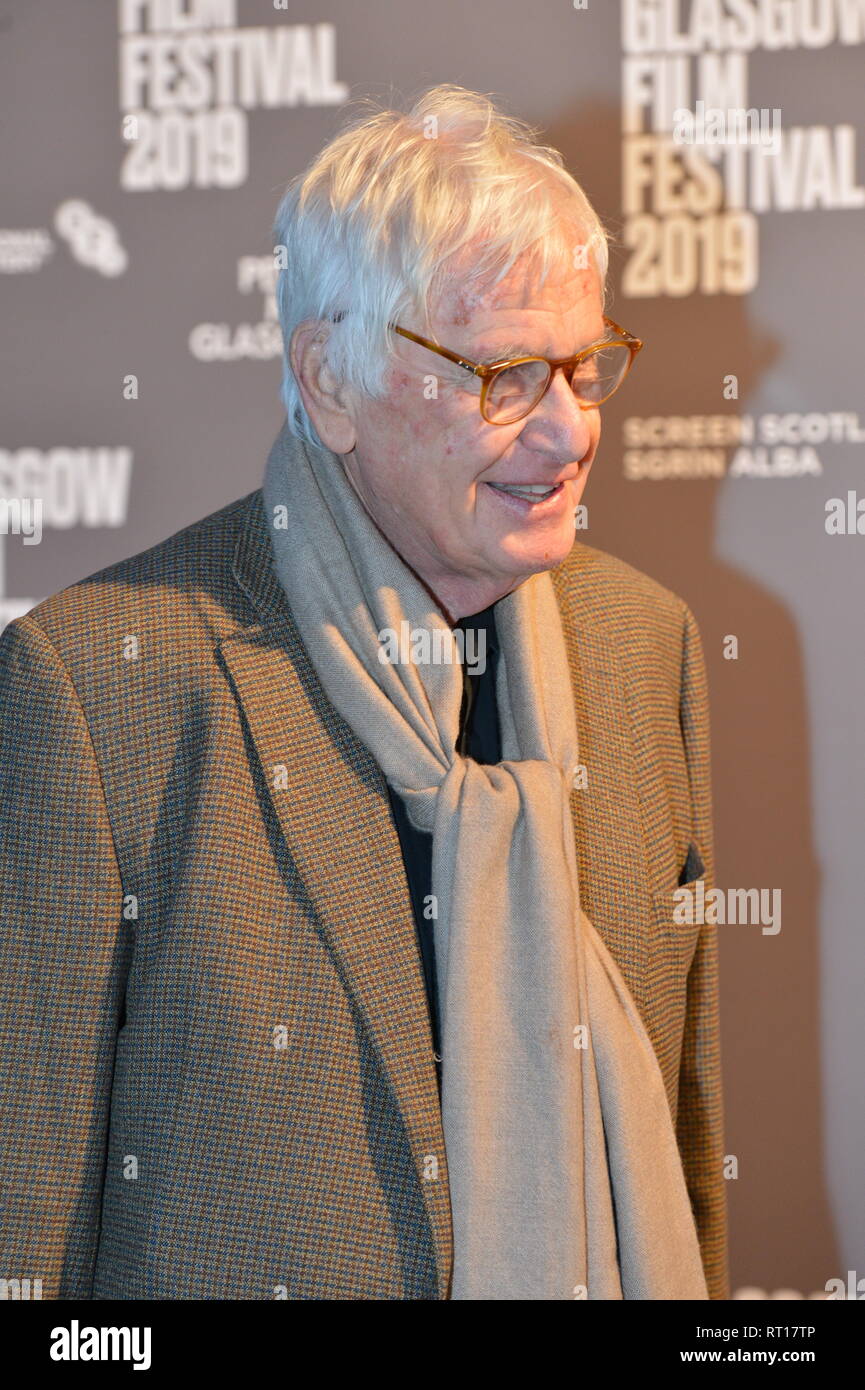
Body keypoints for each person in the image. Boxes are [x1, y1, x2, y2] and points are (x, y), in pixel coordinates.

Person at [0, 84, 727, 1300]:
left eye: (585, 365)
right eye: (502, 375)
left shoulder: (642, 647)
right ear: (327, 381)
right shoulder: (100, 687)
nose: (567, 434)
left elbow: (684, 1158)